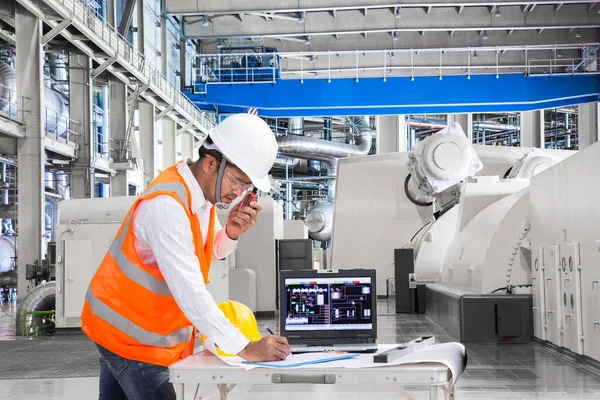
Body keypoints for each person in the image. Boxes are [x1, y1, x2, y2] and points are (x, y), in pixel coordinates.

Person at [81, 113, 291, 400]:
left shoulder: (200, 198)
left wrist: (231, 231)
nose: (239, 193)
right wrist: (246, 347)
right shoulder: (168, 207)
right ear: (210, 164)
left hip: (123, 329)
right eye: (237, 182)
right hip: (135, 339)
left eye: (246, 187)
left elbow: (210, 250)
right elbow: (190, 290)